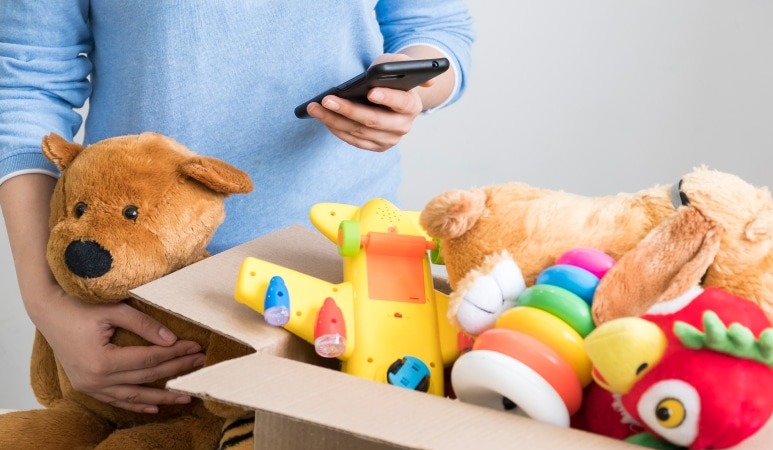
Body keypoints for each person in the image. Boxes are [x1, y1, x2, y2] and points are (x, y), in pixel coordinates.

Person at [0, 2, 474, 415]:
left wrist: (410, 91)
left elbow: (436, 30)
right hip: (141, 287)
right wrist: (46, 301)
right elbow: (26, 85)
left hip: (348, 275)